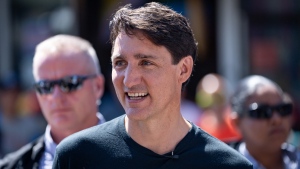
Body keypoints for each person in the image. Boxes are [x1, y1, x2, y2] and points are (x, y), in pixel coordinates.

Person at [53, 2, 252, 168]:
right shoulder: (76, 157)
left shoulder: (228, 165)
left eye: (146, 63)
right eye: (120, 63)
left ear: (183, 69)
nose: (129, 80)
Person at [0, 34, 106, 168]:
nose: (56, 97)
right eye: (45, 86)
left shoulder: (135, 157)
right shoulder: (11, 166)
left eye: (69, 83)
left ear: (97, 86)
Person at [229, 75, 299, 169]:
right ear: (237, 122)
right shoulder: (221, 165)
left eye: (283, 109)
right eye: (262, 112)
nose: (277, 120)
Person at [196, 73, 241, 143]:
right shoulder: (198, 128)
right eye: (207, 99)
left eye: (218, 98)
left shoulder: (236, 124)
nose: (214, 105)